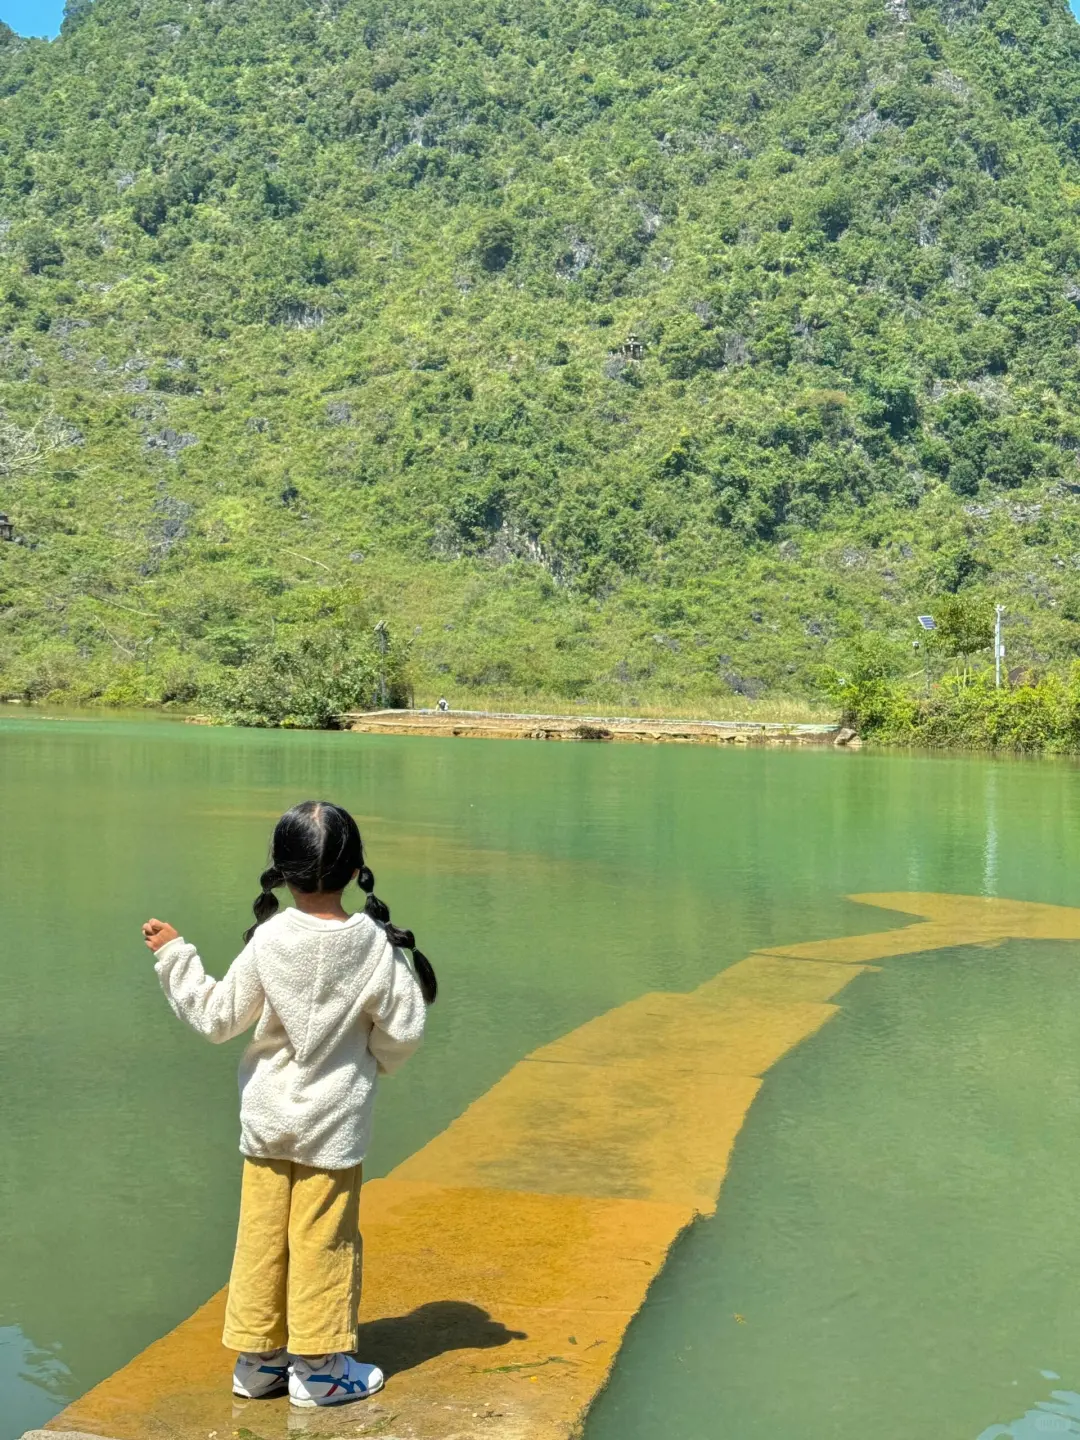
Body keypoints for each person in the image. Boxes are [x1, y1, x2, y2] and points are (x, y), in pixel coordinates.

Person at [142, 801, 437, 1409]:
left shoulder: (270, 940)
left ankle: (259, 1362)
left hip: (268, 1122)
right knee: (324, 1240)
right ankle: (321, 1368)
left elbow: (217, 1017)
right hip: (334, 1125)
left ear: (280, 870)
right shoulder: (374, 946)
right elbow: (405, 1029)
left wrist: (175, 956)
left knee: (261, 1237)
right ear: (357, 871)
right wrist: (370, 1059)